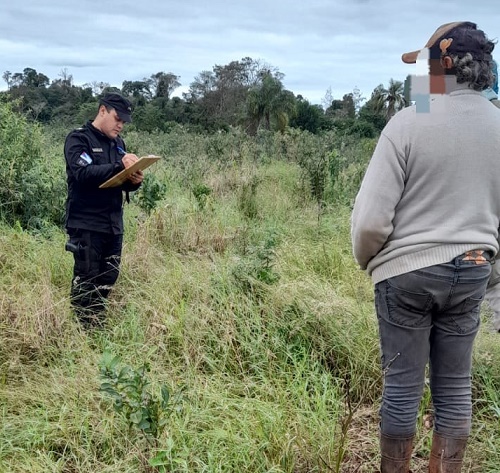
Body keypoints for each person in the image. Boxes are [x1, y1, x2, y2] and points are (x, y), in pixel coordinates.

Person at [351, 22, 500, 472]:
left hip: (408, 274)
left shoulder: (409, 121)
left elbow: (371, 222)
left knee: (402, 389)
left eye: (427, 64)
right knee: (455, 389)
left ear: (445, 65)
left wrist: (370, 260)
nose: (424, 73)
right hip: (474, 266)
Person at [64, 92, 144, 328]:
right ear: (102, 110)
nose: (121, 125)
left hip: (113, 223)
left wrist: (135, 179)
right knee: (86, 278)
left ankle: (96, 323)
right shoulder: (78, 140)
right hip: (86, 224)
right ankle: (82, 330)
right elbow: (83, 174)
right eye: (117, 118)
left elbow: (120, 180)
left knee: (108, 277)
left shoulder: (119, 144)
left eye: (124, 121)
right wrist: (120, 165)